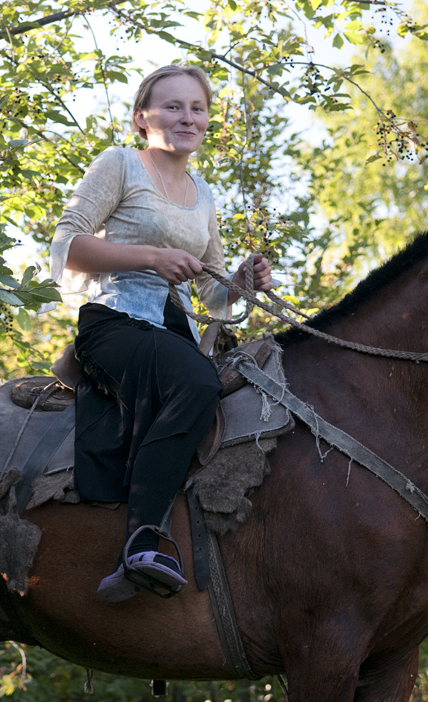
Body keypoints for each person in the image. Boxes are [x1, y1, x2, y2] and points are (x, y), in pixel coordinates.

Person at [49, 64, 273, 602]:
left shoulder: (205, 196)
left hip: (175, 331)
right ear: (141, 117)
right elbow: (65, 246)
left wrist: (242, 281)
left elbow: (214, 297)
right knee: (198, 385)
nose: (186, 118)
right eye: (172, 106)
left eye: (196, 108)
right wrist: (150, 256)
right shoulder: (121, 164)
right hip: (114, 322)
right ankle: (141, 543)